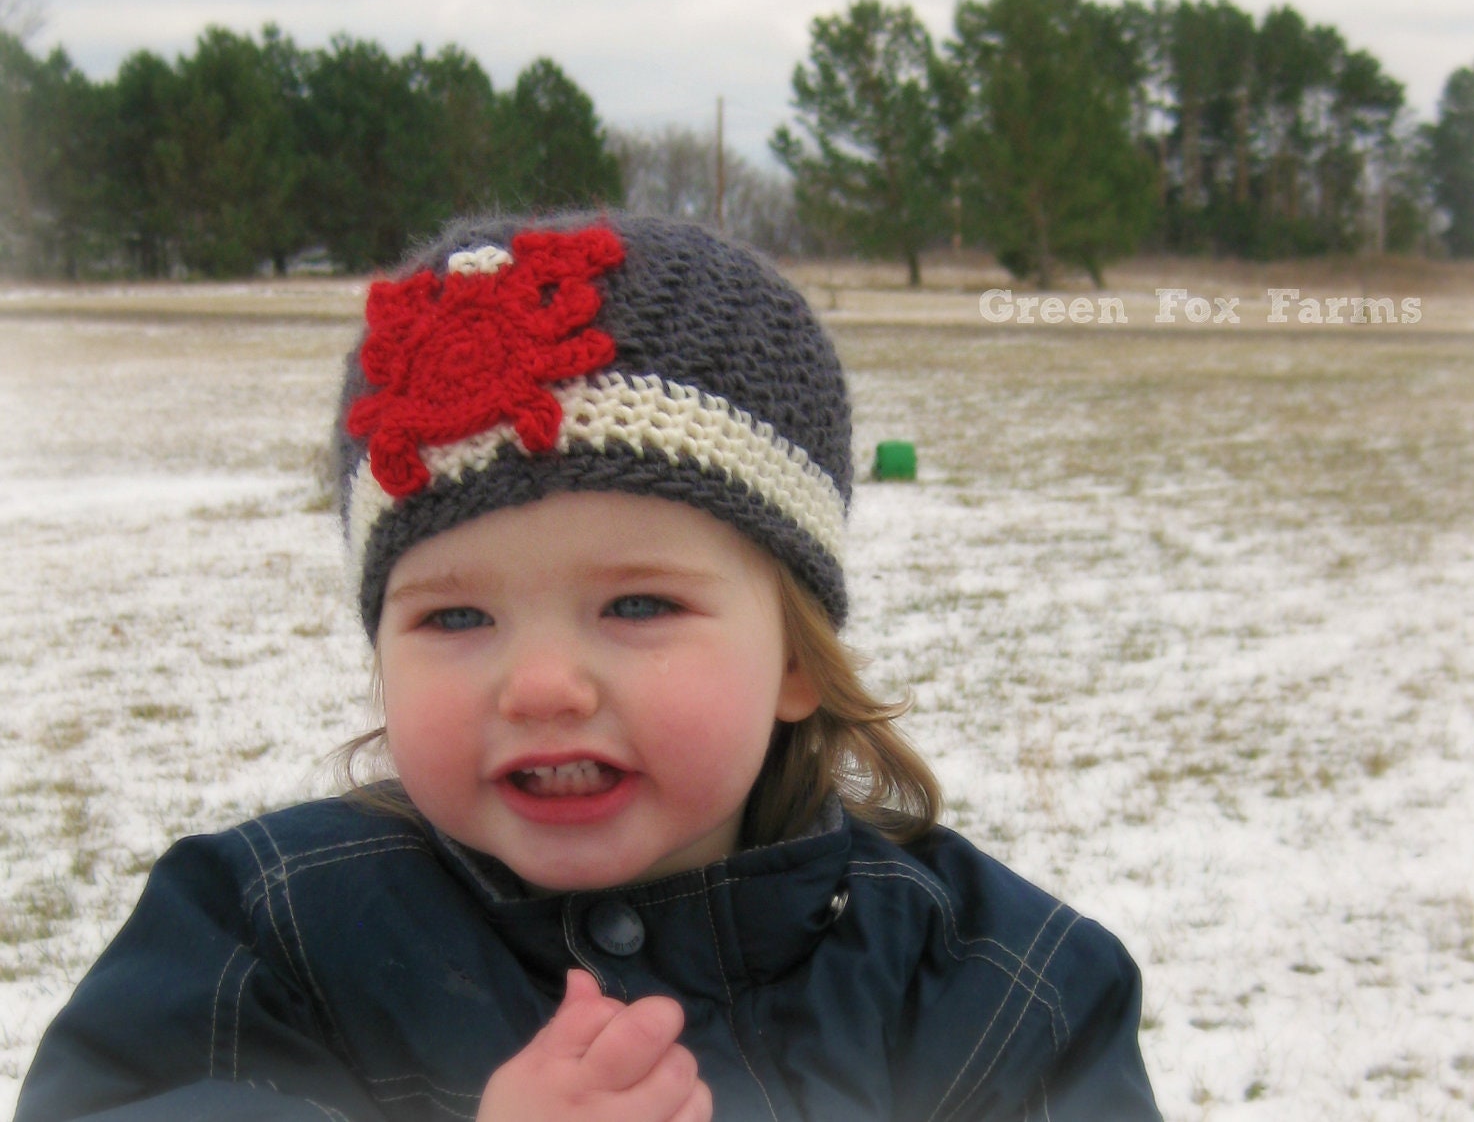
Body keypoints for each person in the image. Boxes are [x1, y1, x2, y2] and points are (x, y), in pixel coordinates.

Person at [16, 214, 1161, 1122]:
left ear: (795, 660)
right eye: (457, 615)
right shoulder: (272, 933)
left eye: (637, 604)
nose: (543, 685)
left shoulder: (987, 987)